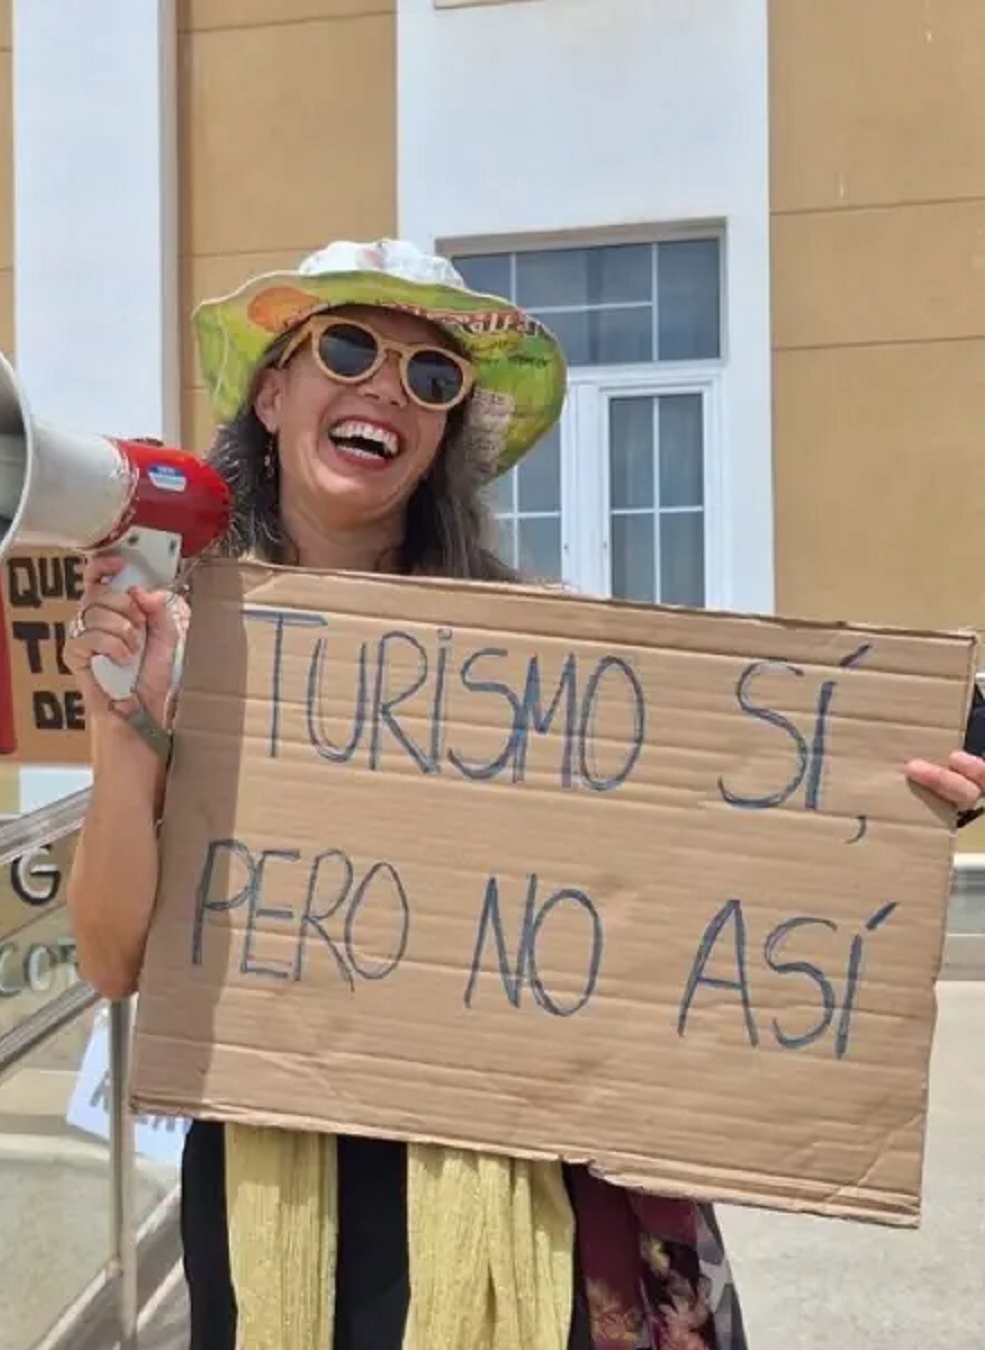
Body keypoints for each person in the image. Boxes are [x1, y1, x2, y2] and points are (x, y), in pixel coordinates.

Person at [61, 238, 985, 1350]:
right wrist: (126, 739)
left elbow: (689, 867)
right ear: (273, 392)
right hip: (272, 1179)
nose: (384, 392)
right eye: (347, 349)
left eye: (430, 377)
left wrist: (882, 810)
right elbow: (113, 959)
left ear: (446, 432)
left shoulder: (537, 657)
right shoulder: (190, 637)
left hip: (506, 1186)